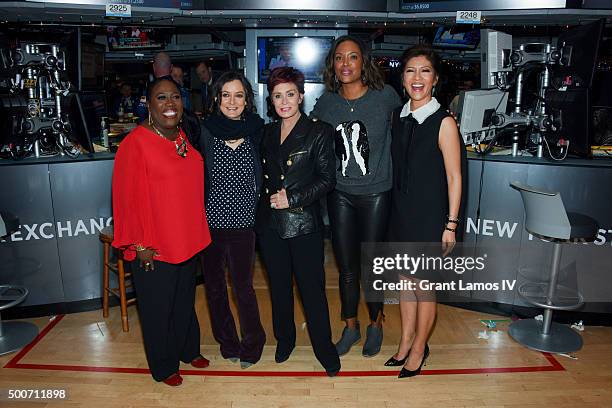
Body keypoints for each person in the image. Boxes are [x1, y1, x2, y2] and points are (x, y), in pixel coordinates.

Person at [112, 77, 212, 387]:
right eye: (161, 98)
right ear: (148, 104)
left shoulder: (181, 136)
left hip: (186, 237)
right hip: (153, 243)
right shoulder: (135, 143)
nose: (170, 104)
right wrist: (138, 243)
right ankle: (163, 365)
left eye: (175, 97)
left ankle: (187, 349)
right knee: (158, 309)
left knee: (183, 301)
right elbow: (123, 199)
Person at [311, 35, 401, 358]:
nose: (345, 64)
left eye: (352, 57)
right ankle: (351, 326)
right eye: (339, 58)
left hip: (377, 192)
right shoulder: (326, 104)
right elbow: (311, 146)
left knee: (372, 266)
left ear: (364, 61)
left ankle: (376, 322)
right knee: (347, 268)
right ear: (332, 65)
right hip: (340, 195)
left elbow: (409, 133)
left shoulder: (386, 97)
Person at [385, 45, 466, 378]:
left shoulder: (444, 122)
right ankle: (405, 342)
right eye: (410, 71)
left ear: (435, 79)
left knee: (424, 285)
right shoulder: (399, 117)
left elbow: (455, 176)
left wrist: (451, 224)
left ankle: (419, 349)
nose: (417, 78)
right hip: (401, 213)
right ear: (402, 78)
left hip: (431, 217)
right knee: (404, 282)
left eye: (425, 71)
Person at [256, 67, 340, 377]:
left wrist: (293, 198)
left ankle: (324, 348)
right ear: (271, 100)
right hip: (269, 226)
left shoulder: (319, 132)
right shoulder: (265, 132)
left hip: (304, 224)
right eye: (278, 96)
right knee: (278, 289)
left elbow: (327, 179)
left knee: (311, 290)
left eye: (290, 94)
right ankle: (285, 340)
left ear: (301, 96)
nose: (284, 101)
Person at [197, 71, 266, 369]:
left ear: (247, 99)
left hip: (244, 224)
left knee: (243, 289)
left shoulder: (257, 129)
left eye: (239, 95)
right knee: (214, 289)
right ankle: (228, 342)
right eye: (226, 94)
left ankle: (253, 343)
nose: (232, 101)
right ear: (216, 98)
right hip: (209, 224)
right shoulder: (204, 130)